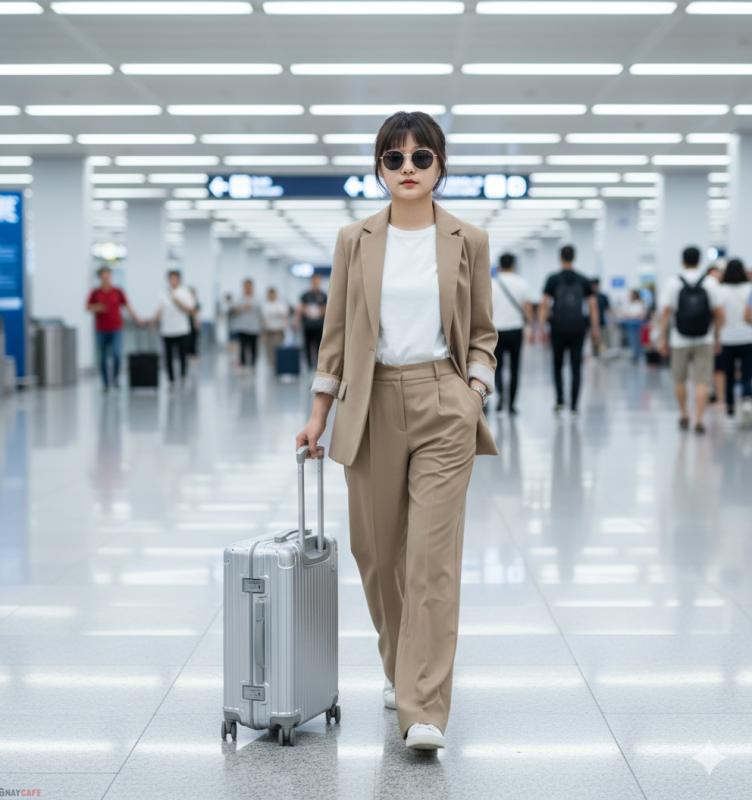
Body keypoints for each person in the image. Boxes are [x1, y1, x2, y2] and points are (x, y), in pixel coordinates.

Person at [295, 111, 497, 752]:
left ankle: (424, 706)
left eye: (421, 157)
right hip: (371, 399)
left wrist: (473, 392)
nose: (407, 169)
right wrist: (320, 413)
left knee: (430, 560)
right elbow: (334, 336)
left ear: (441, 166)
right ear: (379, 168)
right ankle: (400, 669)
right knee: (378, 556)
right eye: (394, 158)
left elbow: (484, 334)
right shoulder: (355, 240)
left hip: (444, 400)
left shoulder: (469, 238)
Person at [658, 246, 724, 434]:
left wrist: (662, 337)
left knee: (679, 379)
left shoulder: (673, 282)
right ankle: (699, 420)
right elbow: (719, 313)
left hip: (679, 338)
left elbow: (665, 312)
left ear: (682, 261)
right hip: (705, 338)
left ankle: (684, 414)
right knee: (702, 381)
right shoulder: (710, 282)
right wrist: (717, 336)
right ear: (700, 260)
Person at [538, 245, 600, 417]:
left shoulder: (553, 279)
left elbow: (543, 304)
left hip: (557, 327)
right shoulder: (583, 279)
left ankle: (559, 401)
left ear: (560, 258)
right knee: (576, 367)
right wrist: (594, 328)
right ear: (574, 257)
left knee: (557, 365)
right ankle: (573, 405)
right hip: (578, 328)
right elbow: (593, 305)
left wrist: (542, 327)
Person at [86, 266, 143, 392]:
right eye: (103, 276)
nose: (106, 279)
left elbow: (128, 307)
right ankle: (105, 383)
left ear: (111, 276)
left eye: (108, 276)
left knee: (117, 354)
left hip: (116, 328)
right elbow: (88, 307)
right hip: (101, 330)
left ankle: (115, 379)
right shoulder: (95, 293)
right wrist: (98, 307)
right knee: (103, 357)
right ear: (100, 278)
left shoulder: (118, 292)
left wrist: (137, 319)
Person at [490, 253, 533, 414]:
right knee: (515, 367)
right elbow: (528, 308)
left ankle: (501, 395)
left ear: (500, 265)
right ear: (513, 265)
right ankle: (512, 404)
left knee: (498, 366)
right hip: (516, 329)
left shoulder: (491, 283)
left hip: (496, 330)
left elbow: (487, 308)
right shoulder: (522, 283)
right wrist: (533, 328)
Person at [718, 259, 752, 426]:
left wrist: (717, 336)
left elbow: (719, 316)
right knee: (748, 373)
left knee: (729, 376)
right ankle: (747, 400)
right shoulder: (749, 289)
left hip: (727, 338)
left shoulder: (721, 290)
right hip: (747, 337)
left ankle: (730, 410)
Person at [152, 270, 195, 389]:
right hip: (167, 330)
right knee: (168, 357)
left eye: (175, 278)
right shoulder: (163, 293)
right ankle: (171, 380)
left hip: (182, 329)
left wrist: (178, 301)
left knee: (182, 355)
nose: (173, 281)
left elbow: (190, 310)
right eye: (171, 278)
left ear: (179, 279)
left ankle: (183, 377)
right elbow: (159, 311)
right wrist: (153, 321)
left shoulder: (184, 292)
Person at [296, 274, 327, 369]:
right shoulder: (305, 295)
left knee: (319, 347)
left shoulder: (323, 295)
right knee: (307, 346)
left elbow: (327, 310)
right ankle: (309, 366)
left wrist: (320, 311)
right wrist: (297, 320)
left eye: (317, 281)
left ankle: (318, 367)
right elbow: (300, 309)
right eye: (314, 281)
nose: (315, 283)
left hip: (319, 326)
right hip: (308, 326)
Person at [705, 264, 725, 405]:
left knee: (718, 368)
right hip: (707, 335)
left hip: (719, 335)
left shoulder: (721, 290)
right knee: (710, 368)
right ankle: (711, 393)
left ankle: (718, 396)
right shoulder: (709, 290)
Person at [232, 280, 262, 369]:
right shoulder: (239, 298)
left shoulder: (257, 299)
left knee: (254, 347)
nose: (248, 288)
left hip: (254, 327)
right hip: (242, 327)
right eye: (246, 286)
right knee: (243, 347)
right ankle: (243, 365)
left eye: (250, 286)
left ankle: (253, 365)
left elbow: (260, 314)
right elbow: (233, 311)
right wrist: (243, 307)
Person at [261, 287, 289, 367]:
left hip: (278, 331)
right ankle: (271, 365)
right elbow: (263, 318)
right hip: (269, 331)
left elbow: (284, 316)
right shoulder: (265, 305)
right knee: (269, 350)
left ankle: (279, 366)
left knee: (279, 349)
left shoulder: (281, 304)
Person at [620, 289, 648, 362]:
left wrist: (633, 315)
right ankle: (635, 356)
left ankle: (641, 356)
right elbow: (625, 314)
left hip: (639, 325)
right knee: (632, 341)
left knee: (640, 341)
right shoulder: (629, 304)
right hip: (631, 325)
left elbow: (642, 315)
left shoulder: (641, 303)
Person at [590, 278, 611, 356]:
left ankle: (601, 357)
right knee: (593, 343)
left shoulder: (603, 296)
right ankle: (594, 357)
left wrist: (611, 321)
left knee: (602, 341)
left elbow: (608, 309)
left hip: (602, 323)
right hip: (591, 324)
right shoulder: (590, 297)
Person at [186, 287, 201, 359]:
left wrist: (196, 321)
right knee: (188, 338)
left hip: (194, 321)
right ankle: (188, 352)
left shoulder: (196, 302)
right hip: (187, 322)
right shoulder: (187, 302)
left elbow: (197, 313)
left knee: (194, 338)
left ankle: (193, 352)